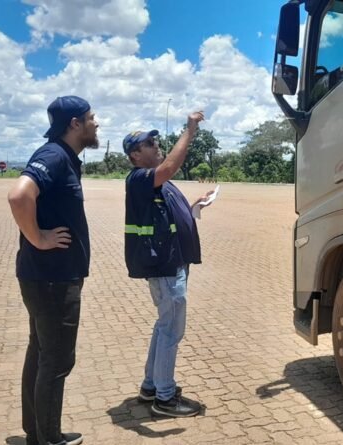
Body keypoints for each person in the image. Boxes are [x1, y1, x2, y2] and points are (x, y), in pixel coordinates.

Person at [8, 95, 99, 445]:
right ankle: (48, 439)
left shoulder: (65, 158)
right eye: (91, 118)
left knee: (42, 353)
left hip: (46, 277)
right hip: (52, 279)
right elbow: (19, 196)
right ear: (74, 124)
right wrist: (38, 238)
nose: (96, 123)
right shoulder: (54, 156)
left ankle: (36, 431)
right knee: (58, 359)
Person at [122, 111, 213, 418]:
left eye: (155, 140)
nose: (156, 145)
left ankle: (151, 387)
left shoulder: (158, 183)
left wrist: (195, 205)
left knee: (165, 326)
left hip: (171, 261)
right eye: (149, 143)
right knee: (171, 329)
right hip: (163, 265)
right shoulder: (140, 178)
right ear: (135, 155)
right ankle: (165, 397)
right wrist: (190, 130)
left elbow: (170, 214)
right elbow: (172, 165)